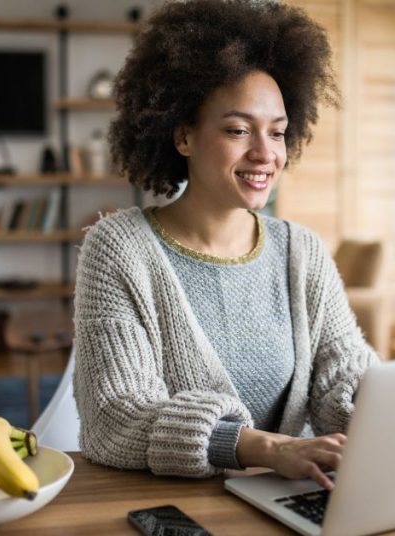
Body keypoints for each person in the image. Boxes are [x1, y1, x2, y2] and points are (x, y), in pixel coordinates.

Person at [73, 0, 378, 490]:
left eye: (277, 133)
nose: (265, 154)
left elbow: (342, 375)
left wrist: (381, 410)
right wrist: (268, 449)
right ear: (183, 136)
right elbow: (115, 417)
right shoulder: (119, 249)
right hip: (179, 507)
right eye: (238, 130)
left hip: (288, 499)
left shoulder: (303, 251)